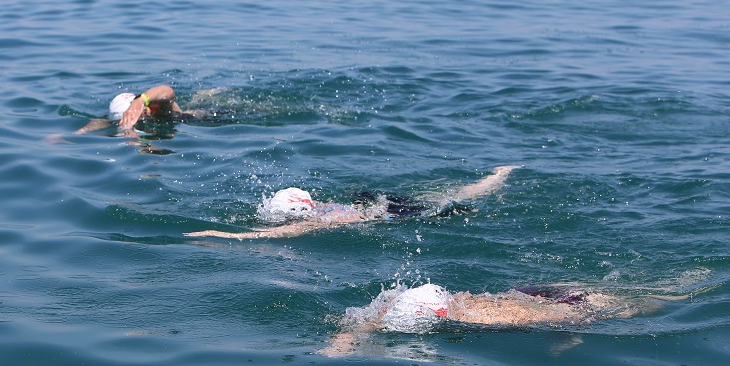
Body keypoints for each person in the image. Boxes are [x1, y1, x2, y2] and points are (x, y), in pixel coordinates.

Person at [320, 280, 697, 357]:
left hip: (551, 303)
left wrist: (568, 338)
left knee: (637, 303)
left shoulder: (496, 320)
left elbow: (573, 316)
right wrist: (342, 342)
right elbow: (372, 317)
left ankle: (681, 289)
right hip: (524, 290)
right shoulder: (401, 302)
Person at [184, 165, 519, 240]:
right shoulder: (320, 209)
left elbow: (272, 236)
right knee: (441, 198)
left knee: (448, 205)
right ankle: (493, 178)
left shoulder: (319, 221)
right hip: (372, 203)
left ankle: (494, 181)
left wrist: (227, 235)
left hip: (389, 214)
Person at [76, 85, 216, 135]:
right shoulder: (118, 118)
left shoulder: (158, 109)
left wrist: (141, 100)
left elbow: (168, 91)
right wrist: (76, 134)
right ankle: (200, 95)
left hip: (198, 117)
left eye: (137, 114)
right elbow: (99, 122)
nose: (140, 118)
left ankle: (205, 95)